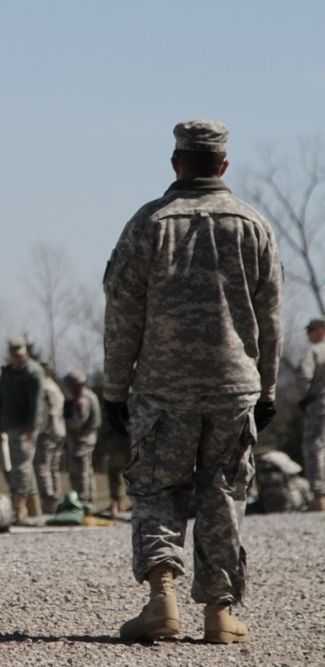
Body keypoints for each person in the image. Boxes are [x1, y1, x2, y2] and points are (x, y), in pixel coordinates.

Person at [103, 120, 283, 643]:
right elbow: (271, 317)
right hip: (234, 388)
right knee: (224, 491)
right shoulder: (253, 225)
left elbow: (122, 315)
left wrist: (115, 388)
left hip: (164, 389)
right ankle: (220, 612)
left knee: (158, 487)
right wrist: (267, 389)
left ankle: (162, 598)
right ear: (223, 165)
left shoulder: (149, 224)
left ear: (175, 162)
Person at [0, 336, 45, 522]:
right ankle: (34, 509)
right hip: (9, 423)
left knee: (21, 466)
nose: (17, 358)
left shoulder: (33, 372)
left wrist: (33, 425)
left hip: (26, 426)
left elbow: (37, 402)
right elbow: (1, 399)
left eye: (20, 355)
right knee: (24, 466)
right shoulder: (7, 373)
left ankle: (19, 506)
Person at [295, 318, 325, 511]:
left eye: (311, 330)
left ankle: (319, 496)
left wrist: (302, 398)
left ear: (321, 330)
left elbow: (305, 377)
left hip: (320, 405)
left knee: (314, 447)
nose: (308, 335)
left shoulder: (315, 351)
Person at [62, 370, 101, 506]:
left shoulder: (82, 400)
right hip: (87, 438)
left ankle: (82, 500)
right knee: (87, 471)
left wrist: (63, 421)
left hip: (81, 440)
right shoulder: (91, 396)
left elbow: (77, 422)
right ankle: (90, 500)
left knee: (80, 472)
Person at [34, 361, 67, 513]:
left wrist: (43, 429)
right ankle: (56, 497)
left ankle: (48, 500)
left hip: (49, 431)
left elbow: (50, 411)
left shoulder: (45, 387)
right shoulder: (55, 387)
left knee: (42, 466)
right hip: (60, 430)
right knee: (53, 467)